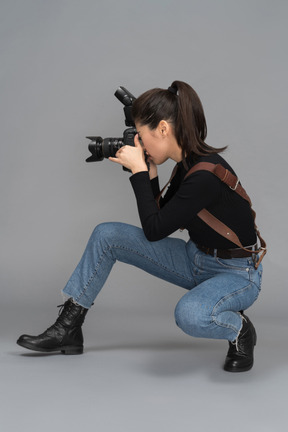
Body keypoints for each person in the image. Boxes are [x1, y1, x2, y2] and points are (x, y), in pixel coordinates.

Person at [17, 80, 265, 372]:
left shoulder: (204, 175)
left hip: (237, 274)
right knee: (107, 235)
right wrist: (150, 173)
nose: (139, 143)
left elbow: (154, 229)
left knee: (190, 315)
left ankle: (240, 330)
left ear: (162, 128)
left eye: (142, 135)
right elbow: (162, 217)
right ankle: (67, 328)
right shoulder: (185, 165)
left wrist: (137, 171)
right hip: (195, 258)